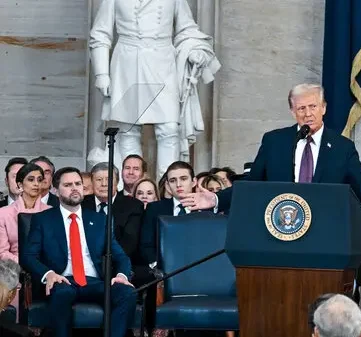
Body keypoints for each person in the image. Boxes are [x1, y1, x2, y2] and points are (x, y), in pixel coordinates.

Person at [182, 83, 361, 225]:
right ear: (292, 112)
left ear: (323, 108)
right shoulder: (275, 141)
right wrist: (216, 200)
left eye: (313, 106)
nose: (308, 113)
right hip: (280, 226)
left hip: (324, 229)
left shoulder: (342, 147)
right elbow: (251, 184)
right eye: (301, 108)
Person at [89, 0, 220, 178]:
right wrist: (101, 74)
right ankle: (132, 189)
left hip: (163, 63)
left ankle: (167, 187)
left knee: (169, 129)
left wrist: (195, 50)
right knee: (128, 130)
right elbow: (100, 34)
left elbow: (187, 29)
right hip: (128, 64)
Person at [21, 167, 136, 337]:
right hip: (63, 280)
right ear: (55, 190)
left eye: (78, 184)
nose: (74, 188)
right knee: (62, 293)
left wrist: (122, 276)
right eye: (68, 185)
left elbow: (120, 256)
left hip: (95, 281)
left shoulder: (99, 220)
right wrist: (49, 274)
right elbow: (28, 256)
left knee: (127, 293)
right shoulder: (43, 219)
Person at [0, 163, 50, 262]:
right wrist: (28, 263)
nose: (36, 183)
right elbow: (2, 252)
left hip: (46, 269)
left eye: (39, 180)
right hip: (14, 269)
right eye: (31, 179)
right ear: (20, 184)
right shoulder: (3, 213)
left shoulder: (51, 211)